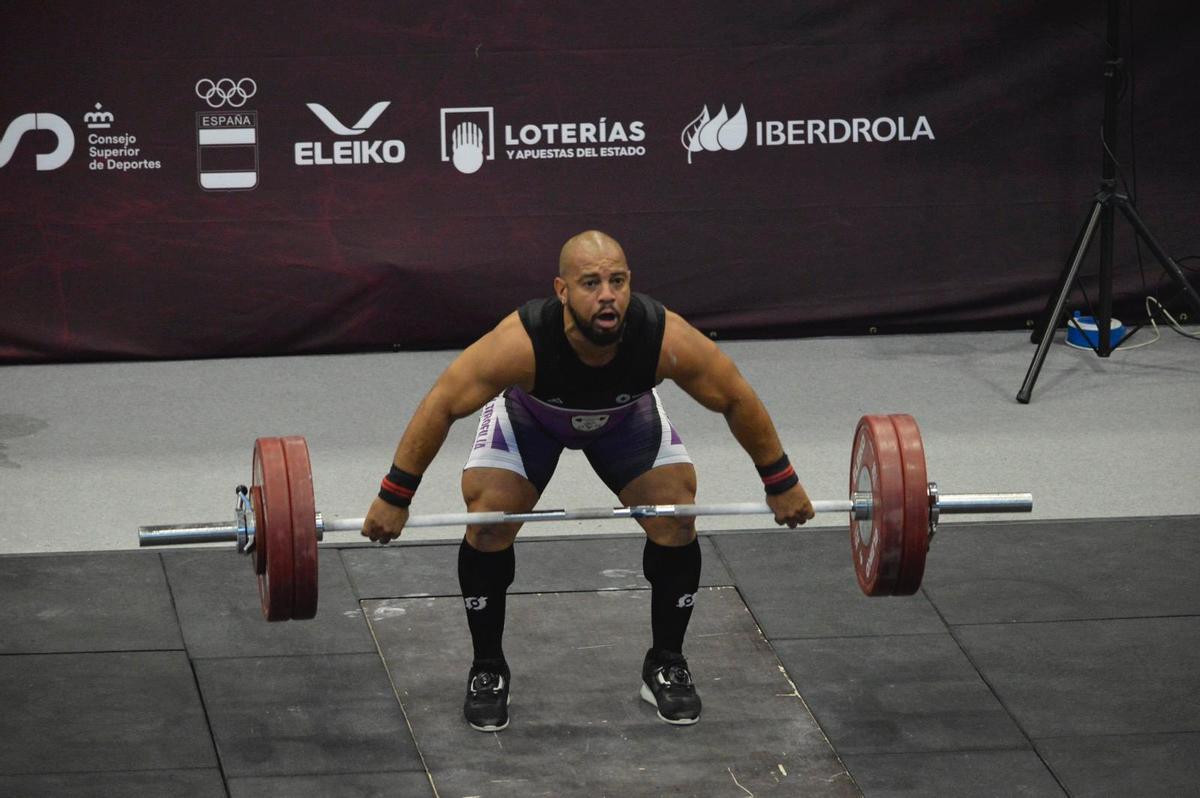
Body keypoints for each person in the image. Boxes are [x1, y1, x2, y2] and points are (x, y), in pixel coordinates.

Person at [361, 230, 814, 731]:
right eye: (591, 282)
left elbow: (735, 396)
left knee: (676, 514)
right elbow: (442, 403)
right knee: (488, 521)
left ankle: (665, 661)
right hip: (531, 419)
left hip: (624, 420)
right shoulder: (521, 342)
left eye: (617, 281)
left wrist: (781, 480)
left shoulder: (661, 336)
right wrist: (394, 496)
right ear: (562, 291)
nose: (607, 295)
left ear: (630, 285)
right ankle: (488, 667)